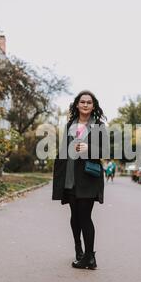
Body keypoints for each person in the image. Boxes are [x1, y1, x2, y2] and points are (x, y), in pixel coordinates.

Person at [52, 90, 109, 270]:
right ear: (77, 105)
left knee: (85, 217)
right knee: (74, 217)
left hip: (88, 178)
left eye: (89, 102)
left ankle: (90, 257)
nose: (85, 105)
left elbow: (106, 151)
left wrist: (88, 147)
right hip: (70, 178)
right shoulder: (70, 124)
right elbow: (62, 152)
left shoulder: (99, 126)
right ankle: (79, 250)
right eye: (82, 102)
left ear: (93, 106)